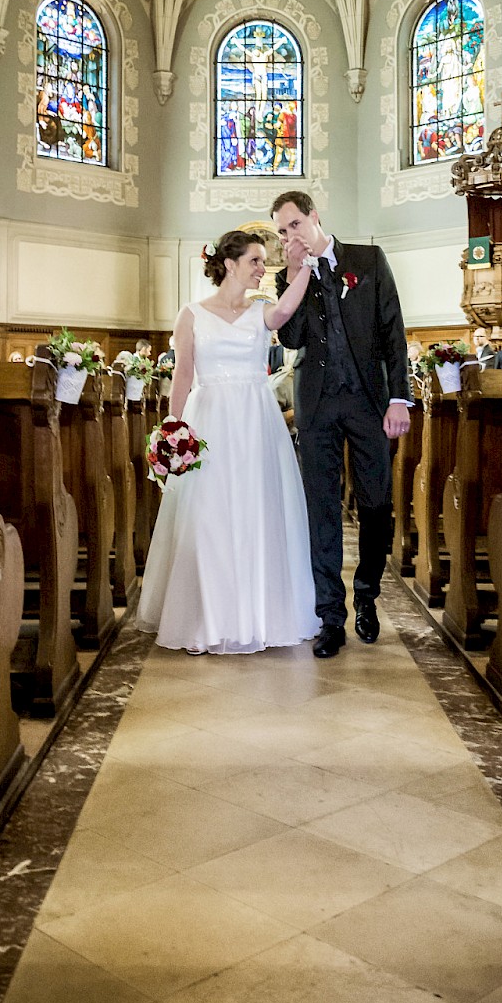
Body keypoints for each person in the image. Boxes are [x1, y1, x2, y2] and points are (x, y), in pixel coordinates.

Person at [135, 229, 318, 655]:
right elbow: (182, 374)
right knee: (209, 513)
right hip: (210, 417)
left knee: (257, 509)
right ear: (230, 264)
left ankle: (259, 612)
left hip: (256, 419)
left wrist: (305, 265)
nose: (261, 269)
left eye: (263, 261)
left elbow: (289, 307)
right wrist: (173, 428)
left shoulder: (262, 312)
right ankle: (209, 615)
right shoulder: (191, 314)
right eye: (255, 261)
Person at [271, 190, 411, 658]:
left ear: (313, 217)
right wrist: (295, 272)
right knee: (322, 509)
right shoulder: (287, 277)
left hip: (369, 402)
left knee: (376, 504)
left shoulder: (367, 260)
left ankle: (367, 595)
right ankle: (330, 615)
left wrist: (398, 399)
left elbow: (393, 330)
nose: (288, 237)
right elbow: (290, 338)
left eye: (293, 225)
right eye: (280, 233)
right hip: (317, 406)